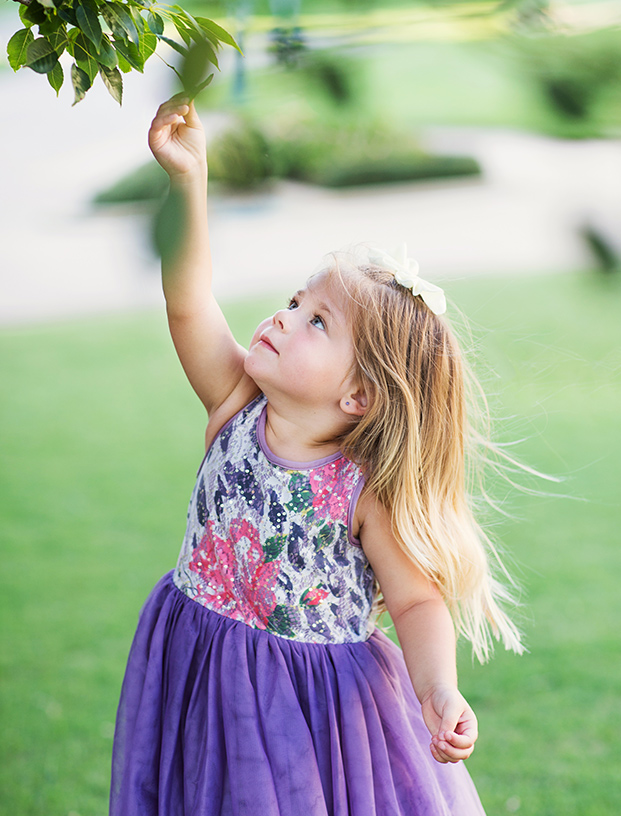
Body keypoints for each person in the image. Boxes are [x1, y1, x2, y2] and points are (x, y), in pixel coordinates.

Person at [111, 96, 523, 814]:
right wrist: (190, 183)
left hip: (305, 712)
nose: (285, 316)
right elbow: (188, 301)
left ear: (360, 396)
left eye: (317, 321)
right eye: (297, 301)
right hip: (195, 662)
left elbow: (418, 597)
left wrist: (438, 688)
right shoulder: (235, 403)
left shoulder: (363, 490)